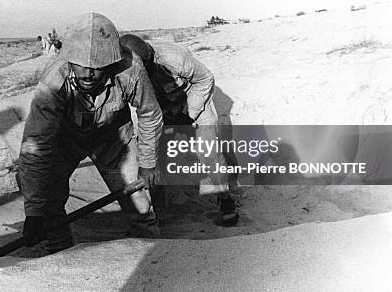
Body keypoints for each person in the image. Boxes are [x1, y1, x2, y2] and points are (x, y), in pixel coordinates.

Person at [18, 13, 164, 254]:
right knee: (49, 206)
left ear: (110, 62)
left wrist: (148, 163)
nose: (87, 74)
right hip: (64, 141)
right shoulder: (53, 82)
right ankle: (60, 255)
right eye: (80, 65)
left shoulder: (131, 70)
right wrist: (33, 212)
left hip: (114, 139)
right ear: (68, 59)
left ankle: (153, 257)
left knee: (140, 204)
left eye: (95, 67)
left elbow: (149, 113)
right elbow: (36, 144)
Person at [119, 34, 239, 226]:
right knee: (150, 158)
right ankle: (158, 210)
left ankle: (225, 199)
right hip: (161, 110)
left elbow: (206, 79)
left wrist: (189, 113)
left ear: (147, 57)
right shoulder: (125, 69)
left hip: (194, 102)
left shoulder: (174, 58)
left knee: (208, 152)